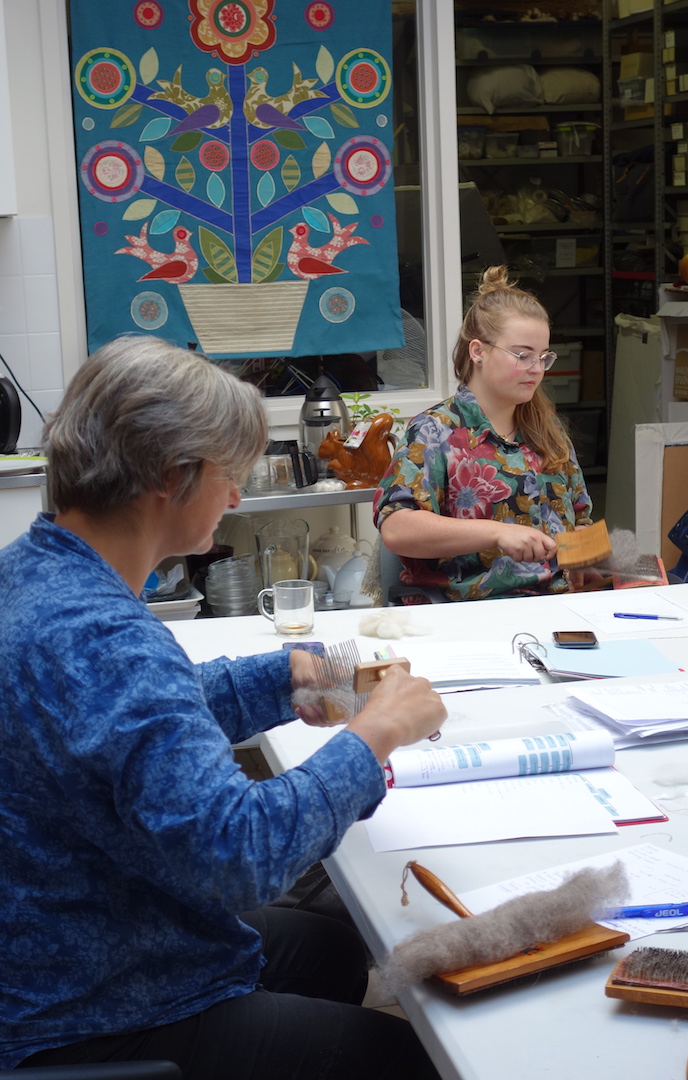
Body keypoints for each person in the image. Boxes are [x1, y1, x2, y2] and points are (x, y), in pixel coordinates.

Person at [0, 337, 447, 1080]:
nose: (236, 498)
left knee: (332, 952)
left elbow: (138, 714)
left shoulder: (36, 571)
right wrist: (376, 735)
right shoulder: (106, 636)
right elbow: (240, 855)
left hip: (60, 931)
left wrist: (296, 677)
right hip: (85, 1007)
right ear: (169, 476)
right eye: (229, 476)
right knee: (413, 1059)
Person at [374, 266, 593, 601]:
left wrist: (584, 558)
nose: (536, 369)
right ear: (478, 351)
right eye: (522, 355)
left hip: (559, 603)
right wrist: (496, 533)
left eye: (543, 357)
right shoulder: (434, 431)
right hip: (470, 611)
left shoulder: (547, 428)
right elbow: (396, 529)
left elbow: (580, 517)